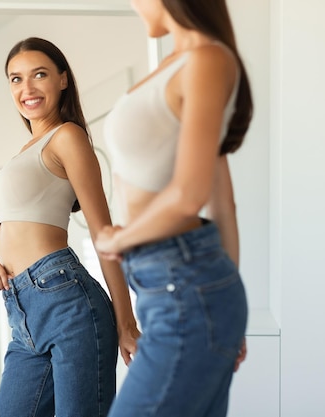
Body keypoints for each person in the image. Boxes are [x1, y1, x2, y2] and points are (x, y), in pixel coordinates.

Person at [94, 0, 253, 416]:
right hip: (178, 288)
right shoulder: (179, 65)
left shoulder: (208, 60)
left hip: (185, 287)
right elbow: (225, 202)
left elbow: (191, 194)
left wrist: (120, 237)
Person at [0, 37, 140, 417]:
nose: (27, 88)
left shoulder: (67, 136)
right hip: (20, 312)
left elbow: (104, 233)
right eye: (16, 79)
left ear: (63, 80)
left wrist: (126, 323)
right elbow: (0, 230)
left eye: (39, 75)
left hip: (66, 300)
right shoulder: (20, 155)